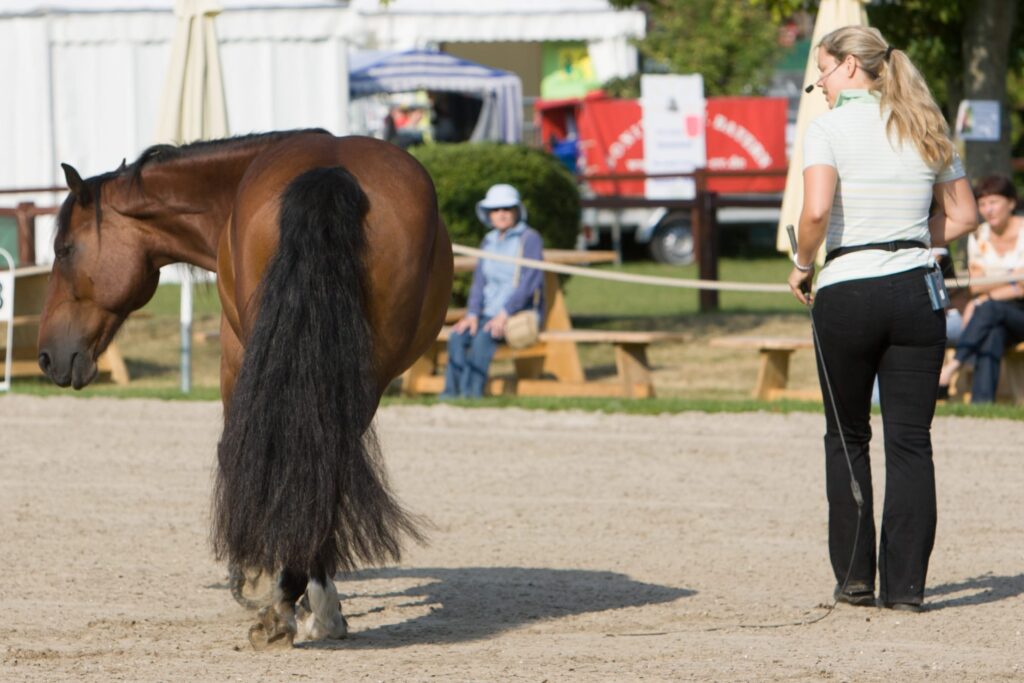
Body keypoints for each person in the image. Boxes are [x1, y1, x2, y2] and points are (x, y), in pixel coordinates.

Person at [787, 26, 977, 612]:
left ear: (849, 66)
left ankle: (855, 578)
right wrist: (914, 238)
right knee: (911, 442)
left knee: (847, 436)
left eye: (821, 67)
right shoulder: (926, 125)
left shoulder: (829, 128)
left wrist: (801, 262)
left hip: (848, 286)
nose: (817, 81)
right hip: (918, 288)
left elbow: (816, 210)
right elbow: (965, 215)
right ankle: (907, 588)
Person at [441, 184, 544, 398]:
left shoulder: (529, 238)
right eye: (496, 210)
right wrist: (471, 314)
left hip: (516, 312)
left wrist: (505, 314)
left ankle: (471, 394)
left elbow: (530, 282)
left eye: (507, 208)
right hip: (486, 311)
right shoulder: (488, 240)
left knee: (482, 339)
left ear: (517, 210)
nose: (501, 214)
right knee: (458, 336)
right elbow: (480, 282)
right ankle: (451, 394)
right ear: (489, 214)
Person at [938, 174, 1024, 402]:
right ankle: (981, 405)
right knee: (992, 333)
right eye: (983, 204)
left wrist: (984, 297)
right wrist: (1012, 280)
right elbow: (976, 287)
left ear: (1011, 203)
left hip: (1017, 314)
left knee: (988, 307)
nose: (988, 209)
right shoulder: (979, 235)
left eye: (993, 202)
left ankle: (953, 367)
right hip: (995, 318)